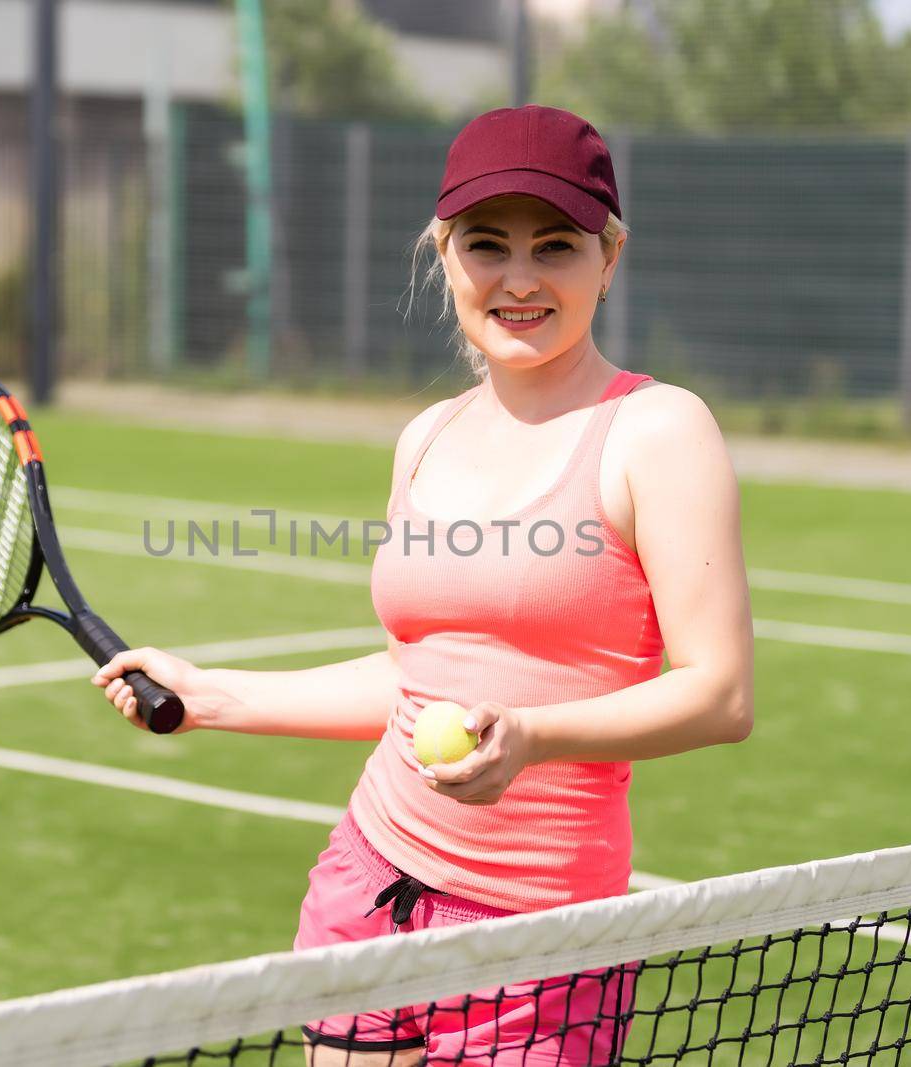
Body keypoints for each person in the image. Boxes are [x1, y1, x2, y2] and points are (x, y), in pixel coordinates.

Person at [92, 104, 755, 1064]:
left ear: (609, 258)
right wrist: (213, 694)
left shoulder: (659, 430)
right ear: (443, 255)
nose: (520, 279)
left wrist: (534, 737)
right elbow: (415, 676)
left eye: (556, 247)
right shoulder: (427, 438)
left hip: (539, 938)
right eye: (488, 245)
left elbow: (720, 694)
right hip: (370, 881)